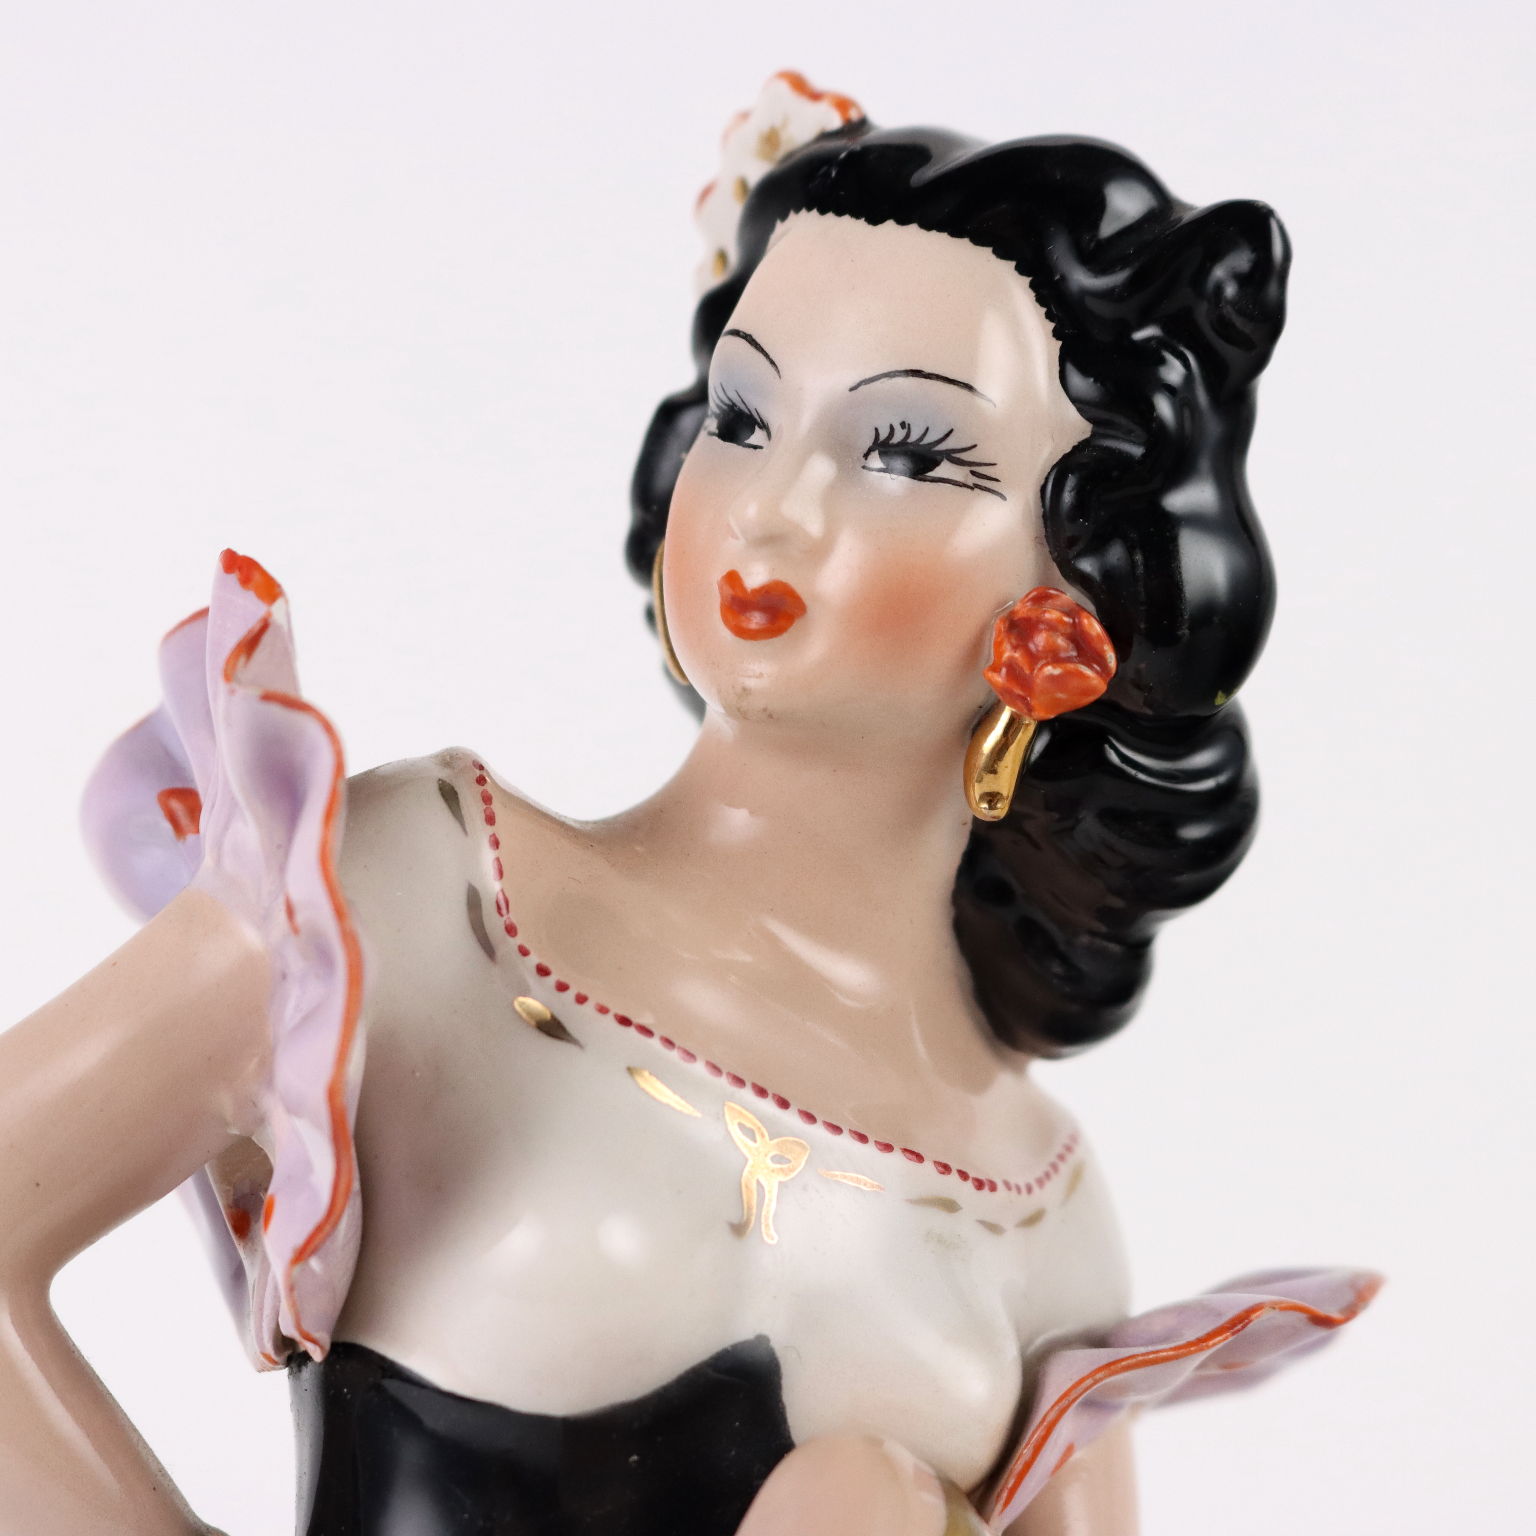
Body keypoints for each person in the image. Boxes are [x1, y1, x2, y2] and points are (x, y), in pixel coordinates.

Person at [0, 72, 1376, 1536]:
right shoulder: (422, 896)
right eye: (743, 412)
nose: (774, 505)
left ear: (1070, 600)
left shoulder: (1038, 1204)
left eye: (906, 451)